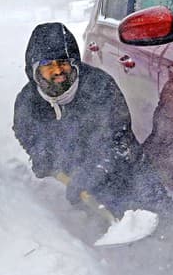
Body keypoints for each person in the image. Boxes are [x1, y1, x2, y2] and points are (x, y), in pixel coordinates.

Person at [12, 22, 163, 219]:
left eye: (63, 62)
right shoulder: (28, 102)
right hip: (72, 169)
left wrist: (90, 174)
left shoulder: (99, 86)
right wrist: (41, 155)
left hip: (121, 167)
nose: (58, 71)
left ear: (74, 62)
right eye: (48, 65)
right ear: (35, 71)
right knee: (84, 214)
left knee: (149, 206)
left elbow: (117, 140)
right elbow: (26, 133)